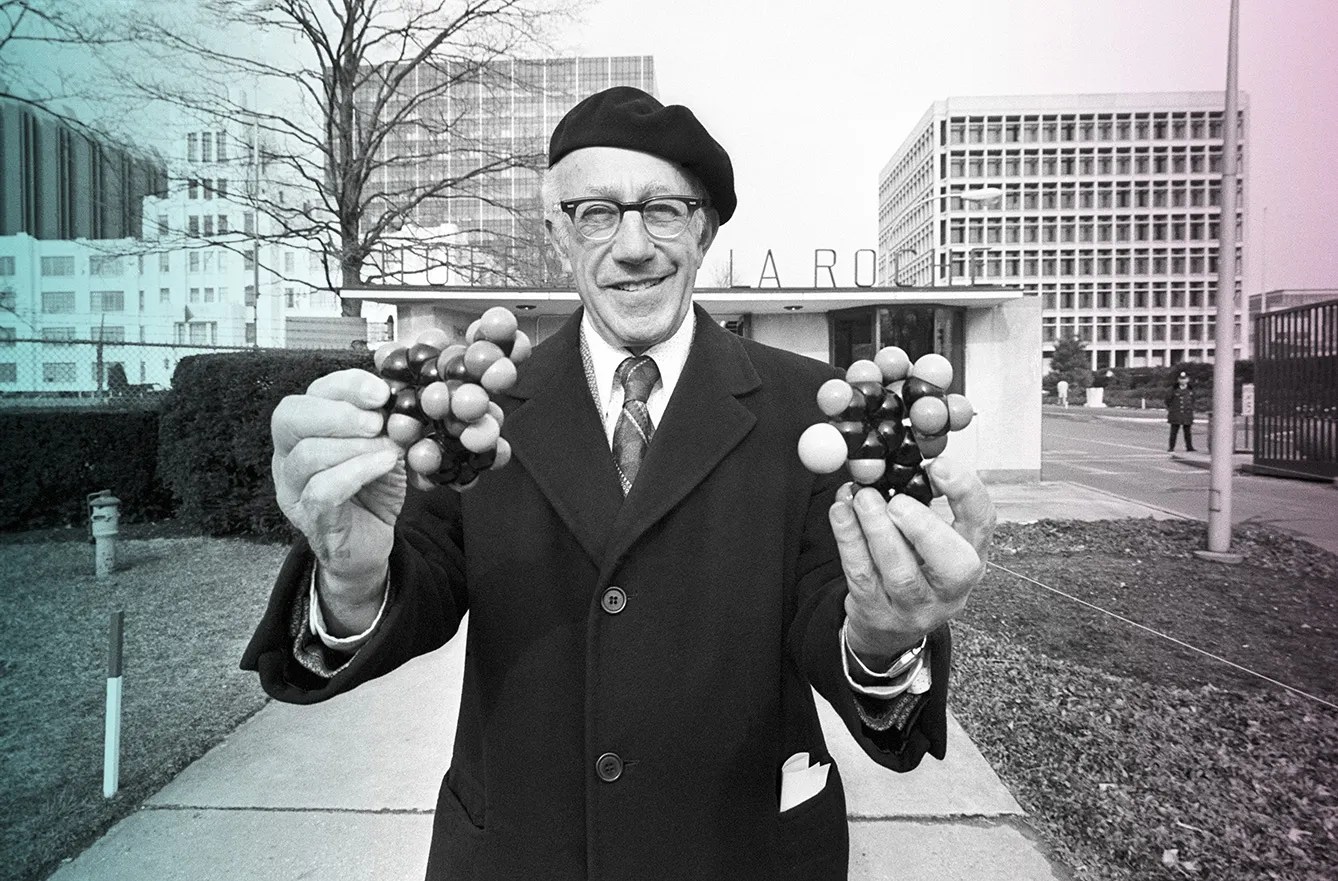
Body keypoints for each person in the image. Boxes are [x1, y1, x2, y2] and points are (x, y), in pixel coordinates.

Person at [243, 86, 996, 881]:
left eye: (664, 209)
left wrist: (883, 636)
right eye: (596, 212)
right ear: (558, 235)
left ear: (704, 230)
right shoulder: (476, 408)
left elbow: (834, 619)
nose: (633, 246)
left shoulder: (812, 410)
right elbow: (419, 585)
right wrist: (349, 580)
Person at [1165, 370, 1196, 452]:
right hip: (1176, 413)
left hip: (1187, 413)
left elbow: (1193, 400)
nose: (1183, 381)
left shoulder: (1190, 389)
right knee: (1174, 431)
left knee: (1187, 432)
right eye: (1181, 379)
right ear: (1178, 380)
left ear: (1188, 379)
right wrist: (1172, 409)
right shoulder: (1173, 389)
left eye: (1184, 379)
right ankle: (1171, 447)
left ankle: (1189, 447)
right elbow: (1168, 401)